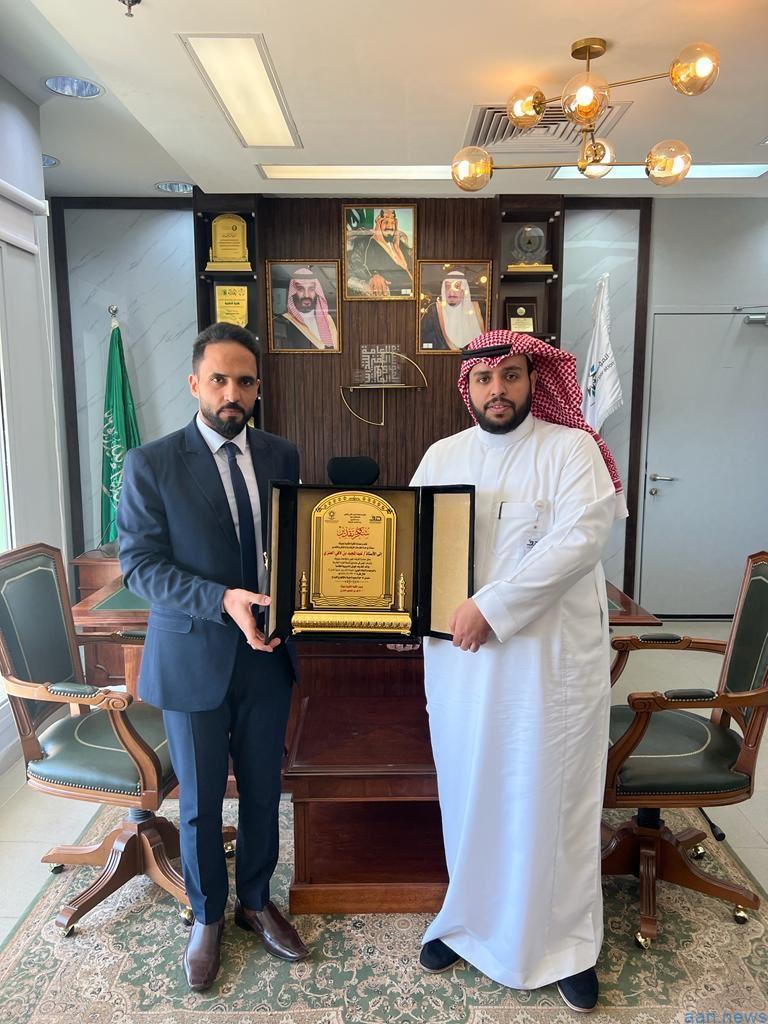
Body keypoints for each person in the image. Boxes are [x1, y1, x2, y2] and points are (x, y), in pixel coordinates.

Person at [409, 329, 627, 1013]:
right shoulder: (442, 456)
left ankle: (566, 946)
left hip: (547, 671)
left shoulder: (572, 450)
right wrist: (395, 607)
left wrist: (492, 607)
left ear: (534, 381)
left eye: (510, 375)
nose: (497, 390)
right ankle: (467, 923)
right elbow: (410, 548)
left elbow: (578, 542)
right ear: (467, 388)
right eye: (484, 379)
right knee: (471, 796)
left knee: (549, 803)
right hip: (462, 671)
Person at [117, 322, 309, 992]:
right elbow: (140, 566)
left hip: (268, 655)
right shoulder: (151, 463)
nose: (233, 393)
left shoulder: (282, 455)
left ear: (258, 388)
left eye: (245, 381)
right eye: (220, 379)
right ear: (194, 382)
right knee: (200, 799)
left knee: (262, 789)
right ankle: (206, 916)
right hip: (194, 653)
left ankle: (255, 901)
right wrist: (220, 599)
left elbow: (294, 545)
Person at [346, 207, 414, 297]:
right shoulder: (366, 242)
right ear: (379, 223)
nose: (390, 226)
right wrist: (373, 276)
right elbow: (356, 262)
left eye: (393, 223)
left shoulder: (400, 245)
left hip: (412, 293)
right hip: (390, 295)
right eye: (386, 222)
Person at [273, 267, 339, 350]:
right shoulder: (282, 322)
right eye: (300, 289)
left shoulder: (329, 321)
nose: (306, 295)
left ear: (317, 292)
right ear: (293, 292)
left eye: (311, 289)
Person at [420, 270, 485, 350]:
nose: (451, 293)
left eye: (457, 287)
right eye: (447, 287)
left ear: (463, 291)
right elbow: (424, 342)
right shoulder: (434, 311)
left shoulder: (478, 310)